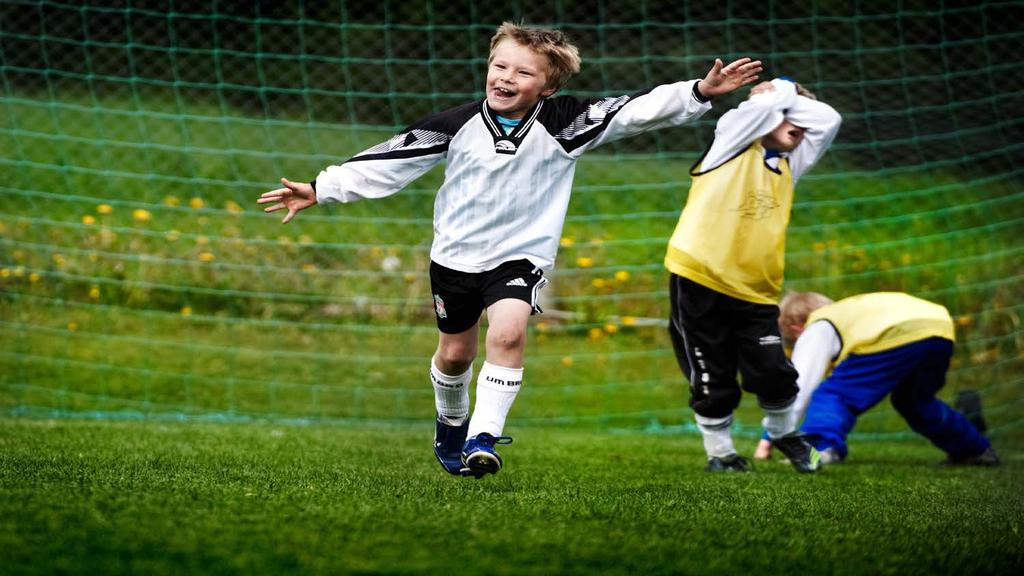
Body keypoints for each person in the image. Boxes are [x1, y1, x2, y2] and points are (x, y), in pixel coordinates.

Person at [258, 22, 763, 478]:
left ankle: (483, 436)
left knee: (508, 331)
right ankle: (451, 421)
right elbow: (389, 159)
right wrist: (320, 187)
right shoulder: (455, 123)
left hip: (521, 257)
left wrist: (697, 91)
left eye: (522, 72)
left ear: (548, 85)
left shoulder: (567, 122)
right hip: (455, 258)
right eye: (499, 65)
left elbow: (633, 112)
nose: (505, 77)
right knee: (455, 355)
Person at [663, 77, 842, 473]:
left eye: (801, 119)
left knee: (775, 373)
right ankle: (721, 453)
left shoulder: (790, 164)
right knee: (713, 374)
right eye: (788, 117)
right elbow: (757, 113)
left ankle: (782, 433)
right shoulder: (729, 144)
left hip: (757, 291)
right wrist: (773, 98)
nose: (800, 127)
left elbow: (828, 119)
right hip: (699, 278)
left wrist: (783, 90)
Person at [758, 291, 999, 466]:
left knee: (834, 394)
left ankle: (820, 448)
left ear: (796, 328)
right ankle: (975, 449)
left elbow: (799, 386)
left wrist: (771, 435)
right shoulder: (852, 312)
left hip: (896, 333)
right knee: (915, 401)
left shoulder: (818, 325)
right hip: (939, 328)